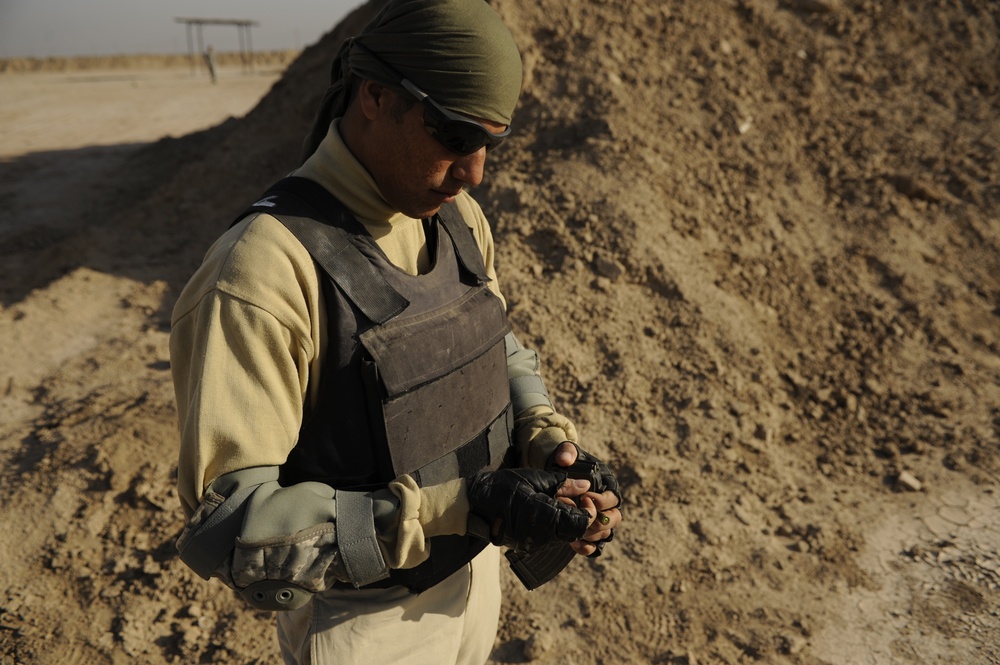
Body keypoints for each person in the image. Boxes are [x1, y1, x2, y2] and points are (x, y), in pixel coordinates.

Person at [168, 1, 623, 663]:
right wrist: (456, 508)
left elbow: (494, 342)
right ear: (376, 97)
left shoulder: (457, 220)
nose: (474, 173)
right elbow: (235, 527)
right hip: (366, 625)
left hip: (475, 580)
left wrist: (546, 442)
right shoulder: (261, 271)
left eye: (490, 143)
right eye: (453, 135)